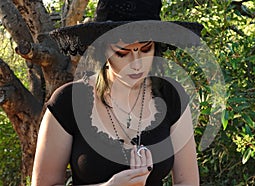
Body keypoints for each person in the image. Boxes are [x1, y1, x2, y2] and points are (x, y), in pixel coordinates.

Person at [32, 0, 203, 185]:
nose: (136, 64)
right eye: (123, 52)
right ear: (103, 49)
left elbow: (188, 181)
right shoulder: (67, 102)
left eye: (146, 49)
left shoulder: (171, 96)